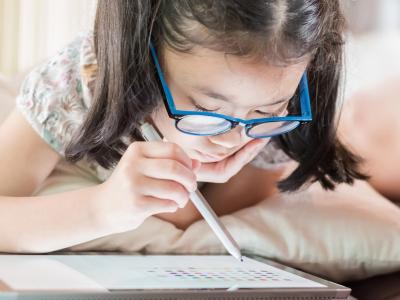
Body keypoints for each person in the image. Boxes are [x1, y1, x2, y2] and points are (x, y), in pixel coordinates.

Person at [0, 0, 365, 253]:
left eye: (265, 110)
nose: (231, 138)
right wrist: (102, 209)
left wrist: (193, 192)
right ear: (142, 61)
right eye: (206, 108)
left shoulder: (281, 117)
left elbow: (191, 214)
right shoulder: (74, 84)